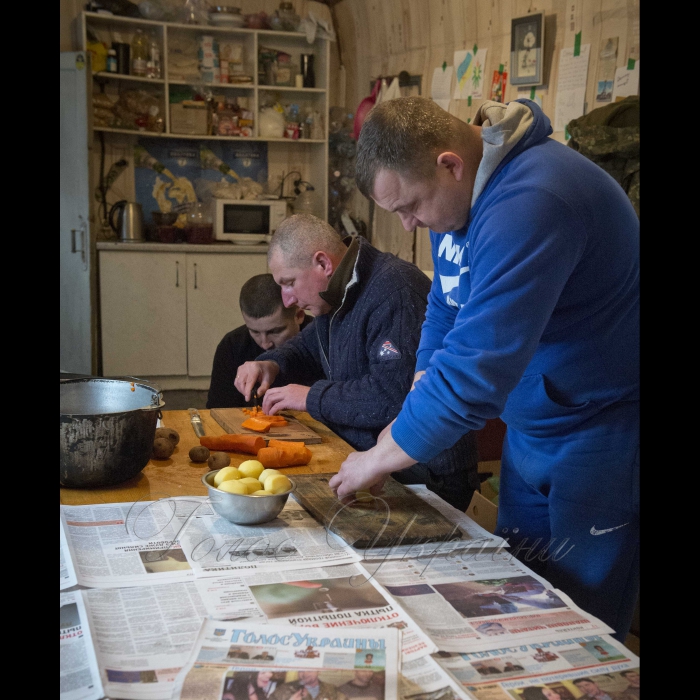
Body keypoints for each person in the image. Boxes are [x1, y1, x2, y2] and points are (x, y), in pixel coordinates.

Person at [329, 96, 639, 641]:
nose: (408, 223)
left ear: (450, 164)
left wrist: (380, 456)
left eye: (411, 206)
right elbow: (447, 304)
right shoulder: (456, 199)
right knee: (522, 591)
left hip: (602, 432)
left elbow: (476, 371)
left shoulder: (534, 200)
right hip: (533, 426)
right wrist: (423, 375)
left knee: (584, 620)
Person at [234, 214, 481, 511]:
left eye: (289, 283)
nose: (287, 300)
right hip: (366, 455)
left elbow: (393, 397)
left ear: (323, 264)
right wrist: (270, 363)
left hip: (424, 472)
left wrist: (312, 396)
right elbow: (308, 344)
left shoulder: (395, 291)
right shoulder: (334, 294)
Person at [207, 273, 313, 408]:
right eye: (254, 331)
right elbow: (218, 409)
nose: (265, 343)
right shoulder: (232, 345)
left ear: (299, 316)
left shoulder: (323, 338)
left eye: (275, 331)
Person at [270, 670, 345, 700]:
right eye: (301, 670)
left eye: (309, 670)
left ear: (318, 671)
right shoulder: (283, 689)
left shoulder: (331, 689)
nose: (305, 673)